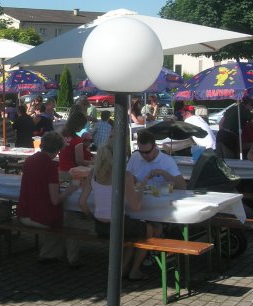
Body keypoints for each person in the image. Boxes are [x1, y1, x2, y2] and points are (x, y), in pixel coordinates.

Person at [80, 141, 161, 280]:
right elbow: (136, 207)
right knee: (150, 230)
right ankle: (135, 270)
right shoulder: (124, 175)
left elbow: (81, 202)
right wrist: (141, 188)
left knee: (132, 235)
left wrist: (91, 217)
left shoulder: (93, 173)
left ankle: (123, 268)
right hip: (118, 225)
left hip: (100, 227)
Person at [17, 131, 80, 267]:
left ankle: (50, 254)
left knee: (61, 219)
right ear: (58, 149)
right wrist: (70, 190)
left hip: (24, 213)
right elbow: (55, 200)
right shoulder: (50, 166)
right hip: (40, 217)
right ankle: (72, 259)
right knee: (71, 220)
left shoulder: (29, 161)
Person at [58, 109, 92, 182]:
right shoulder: (77, 140)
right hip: (72, 174)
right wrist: (94, 162)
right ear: (78, 125)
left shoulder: (61, 135)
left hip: (61, 171)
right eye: (83, 125)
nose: (83, 128)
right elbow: (80, 161)